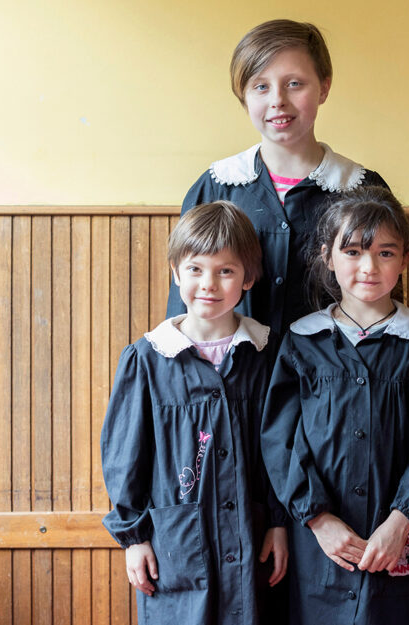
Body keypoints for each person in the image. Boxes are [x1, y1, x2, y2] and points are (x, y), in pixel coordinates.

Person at [261, 186, 409, 624]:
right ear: (327, 256)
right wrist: (318, 519)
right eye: (353, 251)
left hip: (405, 540)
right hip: (322, 545)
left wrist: (402, 522)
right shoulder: (302, 343)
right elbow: (280, 440)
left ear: (406, 260)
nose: (369, 267)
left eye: (385, 253)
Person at [102, 201, 288, 625]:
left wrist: (279, 522)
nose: (209, 284)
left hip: (252, 537)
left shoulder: (267, 354)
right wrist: (134, 538)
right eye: (196, 269)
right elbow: (125, 457)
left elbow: (283, 448)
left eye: (226, 271)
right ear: (175, 272)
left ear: (248, 278)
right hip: (176, 546)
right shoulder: (147, 359)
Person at [167, 19, 389, 337]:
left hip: (332, 381)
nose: (277, 100)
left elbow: (384, 306)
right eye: (261, 86)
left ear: (324, 87)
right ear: (243, 96)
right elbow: (183, 310)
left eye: (294, 83)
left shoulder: (361, 189)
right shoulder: (216, 186)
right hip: (233, 380)